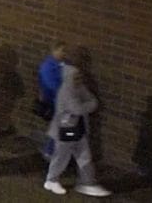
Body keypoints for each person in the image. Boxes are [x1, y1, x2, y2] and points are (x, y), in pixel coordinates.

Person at [43, 63, 112, 197]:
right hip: (66, 130)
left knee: (84, 155)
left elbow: (92, 101)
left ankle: (88, 182)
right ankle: (52, 180)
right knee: (62, 156)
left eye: (79, 77)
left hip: (77, 129)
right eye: (76, 77)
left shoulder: (79, 88)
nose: (79, 80)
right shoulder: (66, 91)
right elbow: (78, 108)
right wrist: (88, 105)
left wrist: (86, 105)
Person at [37, 41, 69, 157]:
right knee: (58, 127)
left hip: (61, 101)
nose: (65, 54)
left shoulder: (62, 64)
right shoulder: (48, 67)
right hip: (54, 101)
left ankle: (52, 150)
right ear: (54, 50)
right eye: (62, 51)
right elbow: (53, 85)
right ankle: (50, 151)